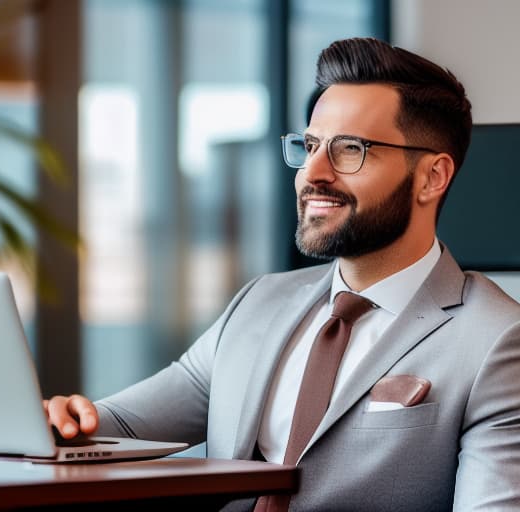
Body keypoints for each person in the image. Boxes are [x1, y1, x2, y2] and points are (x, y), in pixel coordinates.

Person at [45, 37, 520, 511]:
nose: (313, 173)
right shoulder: (260, 302)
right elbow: (121, 425)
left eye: (349, 149)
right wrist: (61, 420)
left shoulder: (496, 341)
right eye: (310, 145)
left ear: (432, 177)